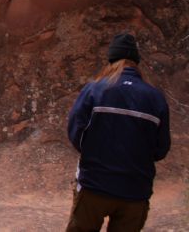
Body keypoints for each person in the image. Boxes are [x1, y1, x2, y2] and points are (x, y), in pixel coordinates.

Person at [66, 33, 170, 232]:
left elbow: (75, 132)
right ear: (136, 62)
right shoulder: (156, 98)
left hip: (95, 185)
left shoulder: (94, 90)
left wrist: (93, 154)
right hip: (135, 191)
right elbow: (161, 149)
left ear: (111, 60)